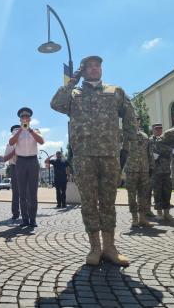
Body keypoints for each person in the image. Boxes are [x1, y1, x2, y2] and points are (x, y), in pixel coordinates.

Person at [50, 55, 136, 266]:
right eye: (89, 66)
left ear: (101, 68)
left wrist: (128, 146)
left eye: (97, 65)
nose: (94, 69)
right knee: (88, 202)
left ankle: (110, 247)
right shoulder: (74, 94)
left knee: (108, 202)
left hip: (109, 154)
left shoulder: (115, 91)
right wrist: (73, 80)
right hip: (84, 156)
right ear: (83, 71)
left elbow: (131, 116)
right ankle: (95, 248)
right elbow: (55, 104)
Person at [9, 108, 45, 228]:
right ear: (20, 119)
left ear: (30, 119)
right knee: (22, 192)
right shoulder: (15, 131)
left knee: (33, 192)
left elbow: (41, 141)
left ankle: (32, 219)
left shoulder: (36, 130)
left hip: (33, 161)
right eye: (23, 117)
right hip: (21, 162)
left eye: (27, 117)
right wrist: (20, 131)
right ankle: (24, 219)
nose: (25, 119)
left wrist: (29, 130)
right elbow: (11, 142)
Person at [124, 117, 154, 227]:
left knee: (144, 195)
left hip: (144, 170)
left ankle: (143, 218)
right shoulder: (125, 136)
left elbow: (149, 153)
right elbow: (121, 152)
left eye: (137, 121)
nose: (135, 123)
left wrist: (151, 167)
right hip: (131, 170)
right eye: (133, 121)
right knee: (131, 195)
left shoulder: (145, 136)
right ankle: (134, 218)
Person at [150, 123, 174, 222]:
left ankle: (167, 212)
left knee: (167, 191)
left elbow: (170, 151)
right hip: (156, 171)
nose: (159, 130)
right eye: (156, 129)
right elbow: (146, 153)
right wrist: (152, 157)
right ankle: (159, 213)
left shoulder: (166, 140)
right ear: (153, 129)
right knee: (157, 192)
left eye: (160, 128)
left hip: (166, 169)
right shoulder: (149, 140)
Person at [3, 124, 21, 220]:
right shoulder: (10, 142)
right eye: (15, 131)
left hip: (25, 166)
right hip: (15, 167)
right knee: (16, 192)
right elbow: (5, 158)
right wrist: (14, 152)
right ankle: (16, 213)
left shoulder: (27, 139)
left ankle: (26, 213)